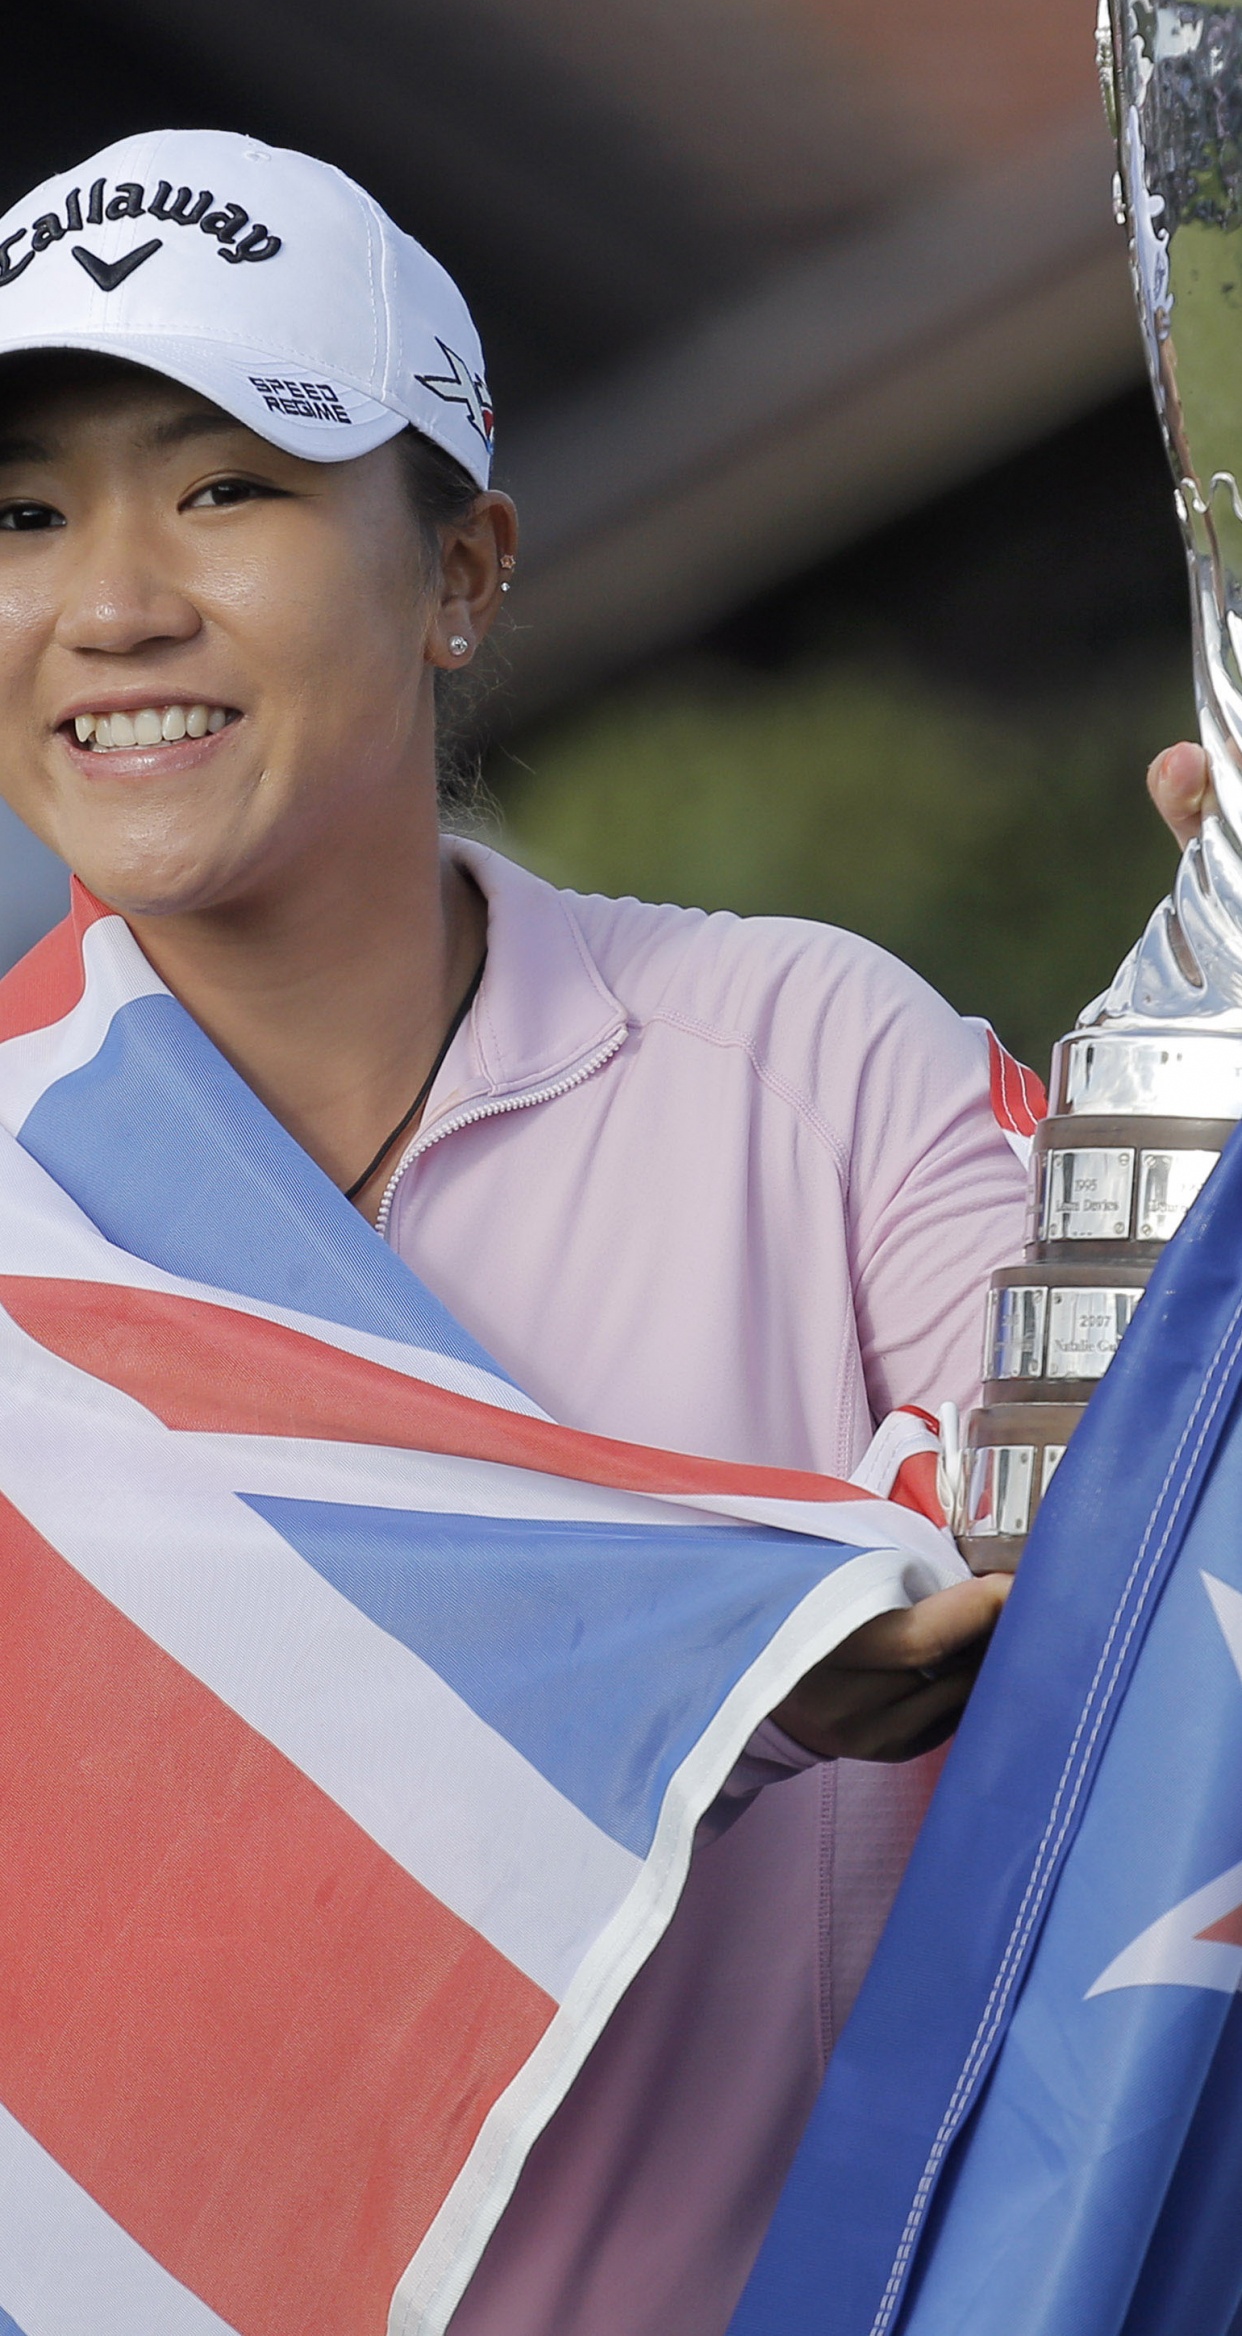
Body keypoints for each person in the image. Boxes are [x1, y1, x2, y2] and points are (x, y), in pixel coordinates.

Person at [0, 127, 1191, 2335]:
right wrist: (749, 1643)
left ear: (462, 573)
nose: (111, 600)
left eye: (229, 484)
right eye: (23, 513)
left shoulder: (803, 1057)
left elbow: (1132, 1493)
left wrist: (1218, 1005)